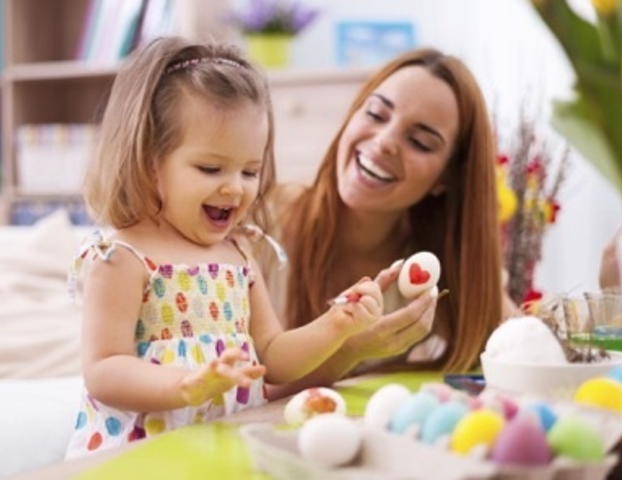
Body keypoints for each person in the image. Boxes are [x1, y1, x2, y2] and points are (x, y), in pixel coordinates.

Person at [64, 37, 383, 458]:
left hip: (224, 447)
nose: (235, 188)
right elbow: (104, 368)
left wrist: (336, 325)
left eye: (250, 171)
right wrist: (185, 385)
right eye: (211, 168)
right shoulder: (123, 257)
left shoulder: (239, 255)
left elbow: (273, 356)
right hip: (145, 454)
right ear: (148, 162)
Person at [254, 47, 515, 398]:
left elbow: (527, 351)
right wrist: (350, 349)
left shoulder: (431, 269)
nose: (385, 142)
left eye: (419, 142)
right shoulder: (256, 225)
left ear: (446, 178)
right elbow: (242, 393)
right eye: (376, 113)